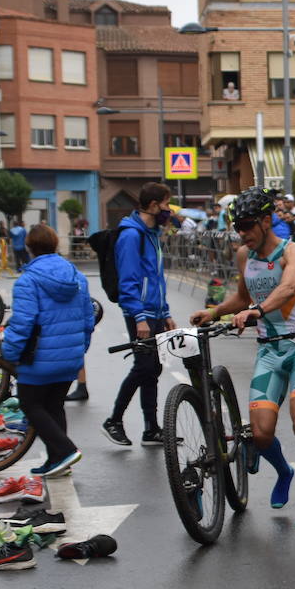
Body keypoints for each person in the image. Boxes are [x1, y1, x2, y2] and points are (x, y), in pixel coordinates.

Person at [190, 187, 295, 530]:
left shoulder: (291, 252)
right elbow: (241, 297)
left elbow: (289, 288)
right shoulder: (243, 256)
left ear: (267, 221)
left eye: (249, 225)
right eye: (238, 226)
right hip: (269, 351)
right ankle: (283, 472)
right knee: (261, 434)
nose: (243, 233)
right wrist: (215, 312)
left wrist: (256, 311)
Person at [1, 224, 95, 478]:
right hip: (69, 359)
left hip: (38, 359)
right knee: (54, 407)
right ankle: (58, 462)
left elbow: (22, 324)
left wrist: (8, 353)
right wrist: (79, 350)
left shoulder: (28, 281)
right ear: (55, 244)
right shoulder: (77, 276)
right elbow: (89, 319)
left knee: (30, 404)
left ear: (29, 248)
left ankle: (65, 450)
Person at [102, 182, 176, 447]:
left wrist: (165, 312)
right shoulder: (132, 235)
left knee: (152, 369)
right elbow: (129, 281)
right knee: (144, 367)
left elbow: (156, 278)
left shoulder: (151, 233)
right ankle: (114, 420)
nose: (169, 209)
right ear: (154, 205)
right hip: (140, 314)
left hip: (154, 312)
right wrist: (140, 317)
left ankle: (151, 428)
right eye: (166, 204)